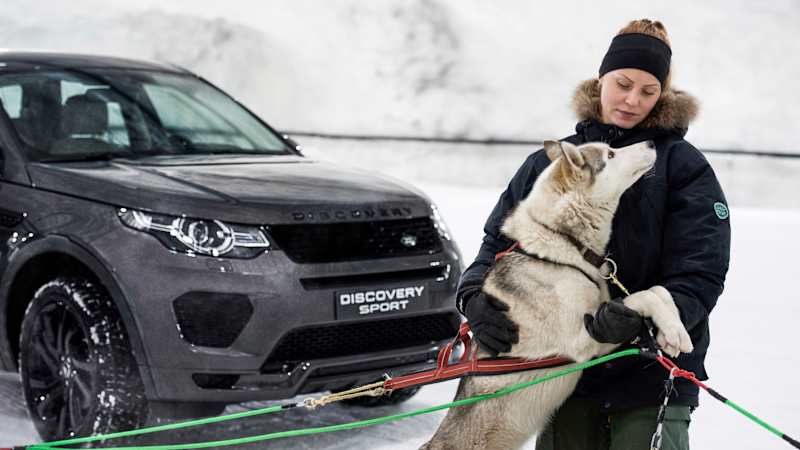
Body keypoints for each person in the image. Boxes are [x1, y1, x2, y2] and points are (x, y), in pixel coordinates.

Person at [455, 19, 731, 450]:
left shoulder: (683, 166)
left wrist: (642, 319)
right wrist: (473, 295)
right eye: (622, 83)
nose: (631, 99)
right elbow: (497, 244)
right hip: (562, 374)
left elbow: (702, 271)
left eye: (648, 91)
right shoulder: (547, 165)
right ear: (600, 79)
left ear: (662, 96)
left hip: (651, 374)